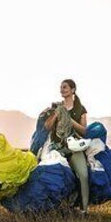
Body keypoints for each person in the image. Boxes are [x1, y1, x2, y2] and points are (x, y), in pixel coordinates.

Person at [43, 79, 90, 214]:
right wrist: (56, 114)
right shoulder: (56, 107)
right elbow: (47, 127)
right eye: (61, 87)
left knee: (83, 175)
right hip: (57, 147)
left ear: (73, 90)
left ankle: (84, 211)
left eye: (65, 87)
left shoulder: (80, 109)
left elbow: (84, 131)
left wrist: (70, 121)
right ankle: (52, 207)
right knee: (53, 173)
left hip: (74, 147)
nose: (62, 89)